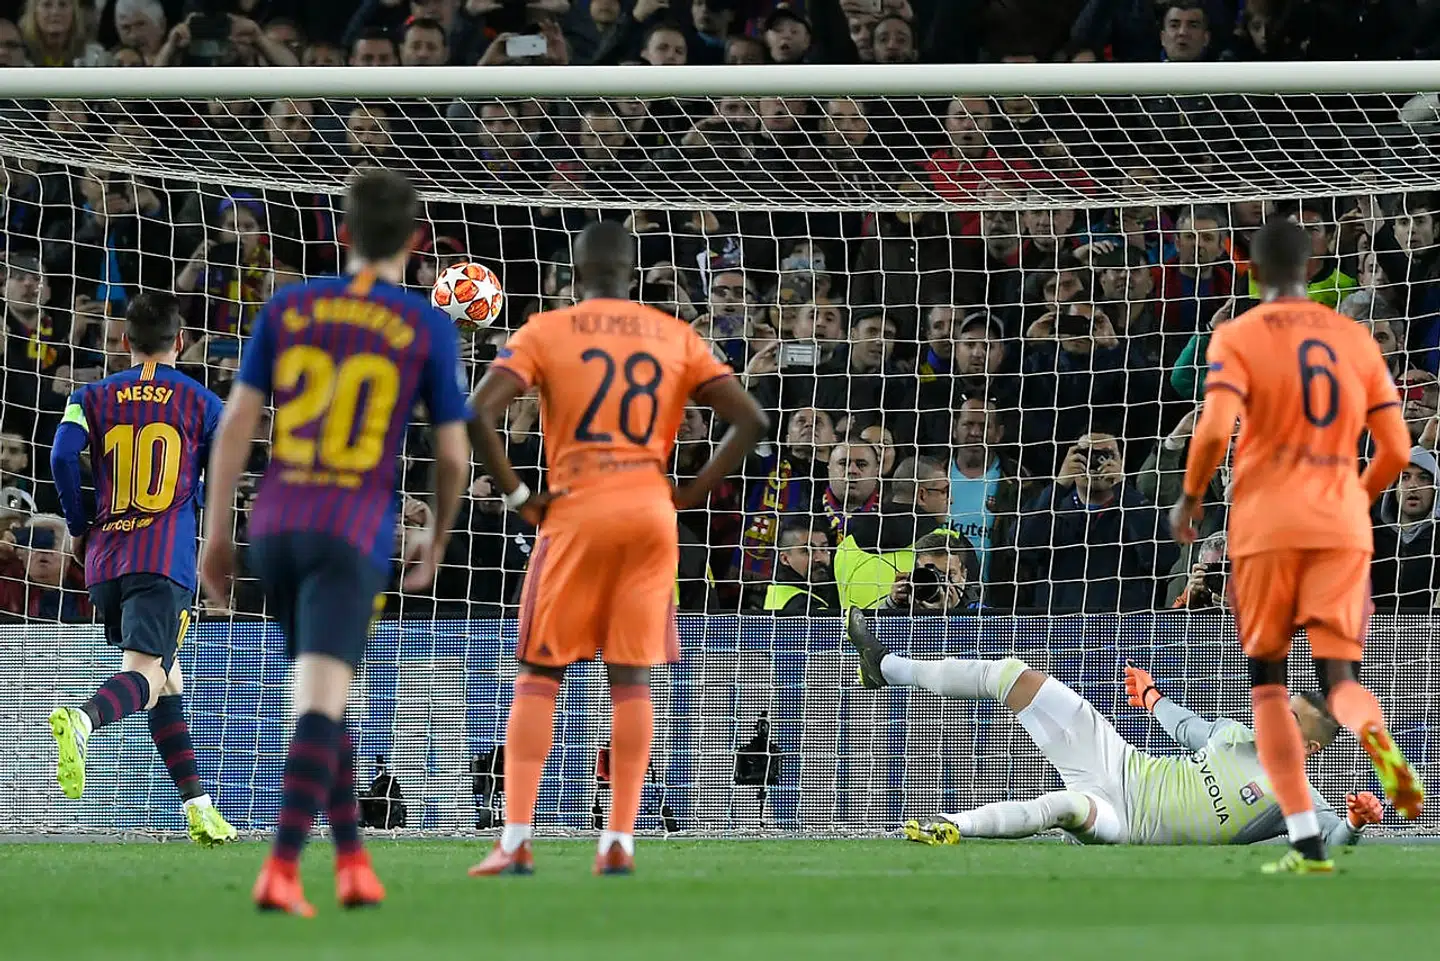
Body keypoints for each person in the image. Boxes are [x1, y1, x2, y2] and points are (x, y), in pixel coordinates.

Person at [199, 169, 470, 915]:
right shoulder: (424, 324)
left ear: (342, 233)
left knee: (328, 687)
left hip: (275, 521)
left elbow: (236, 427)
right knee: (320, 694)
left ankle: (353, 858)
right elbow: (452, 455)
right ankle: (282, 866)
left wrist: (217, 531)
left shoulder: (288, 306)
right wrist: (439, 535)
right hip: (351, 529)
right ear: (418, 244)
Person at [466, 218, 767, 877]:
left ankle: (515, 839)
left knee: (541, 674)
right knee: (630, 679)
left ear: (573, 277)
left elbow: (477, 412)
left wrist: (519, 496)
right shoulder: (675, 334)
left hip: (575, 508)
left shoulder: (546, 330)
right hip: (649, 513)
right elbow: (751, 420)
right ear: (632, 275)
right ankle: (619, 840)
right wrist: (687, 494)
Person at [1170, 217, 1422, 875]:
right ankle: (1386, 755)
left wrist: (1192, 496)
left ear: (1252, 273)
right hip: (1340, 527)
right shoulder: (1354, 338)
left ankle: (1307, 842)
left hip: (1265, 529)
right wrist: (1354, 499)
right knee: (1339, 679)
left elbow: (1215, 424)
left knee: (1269, 689)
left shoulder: (1239, 334)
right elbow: (1397, 448)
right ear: (1313, 270)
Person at [844, 611, 1383, 847]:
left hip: (1127, 822)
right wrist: (1151, 697)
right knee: (1015, 675)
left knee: (1065, 808)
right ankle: (884, 665)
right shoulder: (1235, 735)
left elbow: (1330, 839)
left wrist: (1356, 823)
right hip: (1121, 763)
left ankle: (949, 826)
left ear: (1308, 747)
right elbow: (1188, 728)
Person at [46, 292, 237, 847]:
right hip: (163, 557)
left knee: (166, 680)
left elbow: (61, 457)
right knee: (149, 673)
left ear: (124, 342)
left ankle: (199, 807)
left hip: (105, 559)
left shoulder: (91, 395)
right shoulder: (204, 403)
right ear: (181, 341)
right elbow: (224, 474)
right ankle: (84, 719)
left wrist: (79, 522)